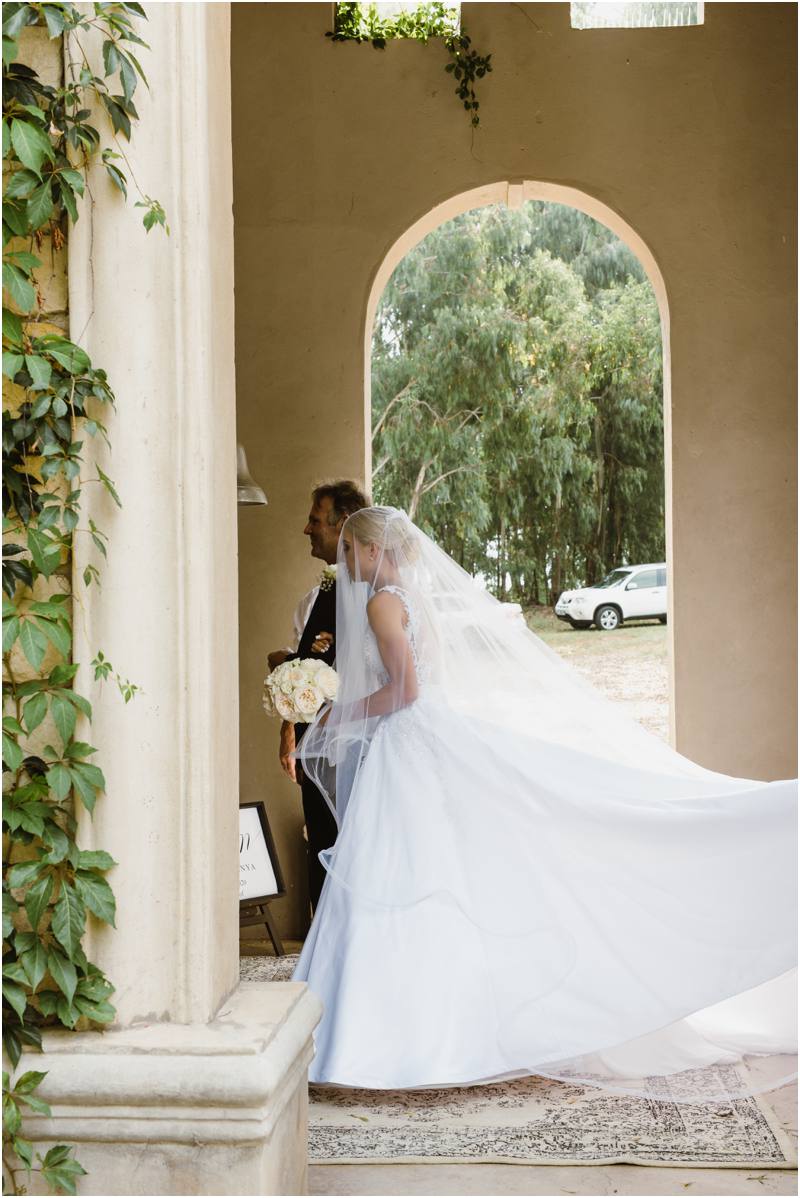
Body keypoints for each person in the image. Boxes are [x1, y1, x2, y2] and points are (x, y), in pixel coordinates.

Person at [292, 505, 797, 1103]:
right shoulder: (412, 598)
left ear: (374, 551)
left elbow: (405, 689)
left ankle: (384, 1040)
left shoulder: (381, 602)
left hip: (405, 748)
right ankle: (423, 1034)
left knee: (398, 876)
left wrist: (336, 713)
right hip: (421, 744)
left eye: (351, 550)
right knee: (431, 875)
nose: (345, 561)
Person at [267, 481, 370, 915]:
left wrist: (285, 662)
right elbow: (310, 665)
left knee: (342, 850)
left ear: (342, 523)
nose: (306, 529)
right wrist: (289, 727)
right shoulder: (319, 594)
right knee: (321, 848)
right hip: (316, 745)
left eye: (315, 520)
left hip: (348, 746)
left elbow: (349, 671)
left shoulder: (369, 595)